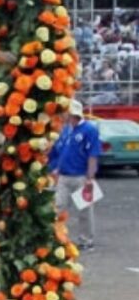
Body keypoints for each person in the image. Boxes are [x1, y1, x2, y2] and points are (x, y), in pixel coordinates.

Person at [51, 99, 100, 250]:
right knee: (58, 207)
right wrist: (56, 168)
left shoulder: (89, 130)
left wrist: (90, 178)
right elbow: (60, 151)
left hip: (81, 176)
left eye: (65, 112)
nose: (62, 115)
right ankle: (55, 237)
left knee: (84, 210)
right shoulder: (66, 129)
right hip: (64, 176)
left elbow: (93, 155)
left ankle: (86, 240)